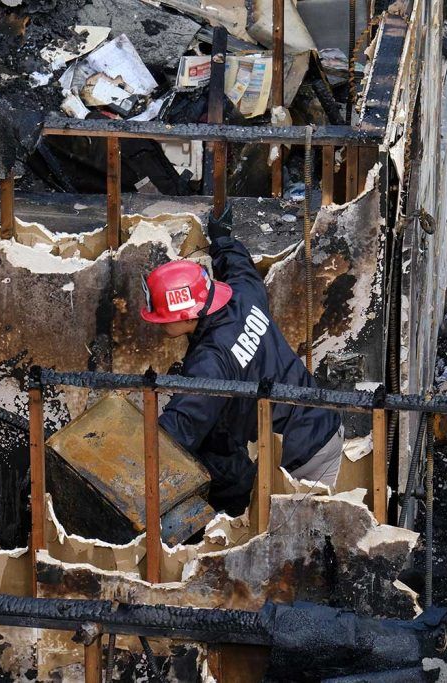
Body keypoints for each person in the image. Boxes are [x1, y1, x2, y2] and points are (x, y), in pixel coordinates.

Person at [139, 205, 343, 513]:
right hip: (318, 424)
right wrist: (223, 239)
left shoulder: (211, 360)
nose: (155, 321)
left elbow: (180, 429)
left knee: (293, 543)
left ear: (186, 315)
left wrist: (134, 458)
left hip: (304, 457)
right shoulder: (242, 295)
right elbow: (240, 267)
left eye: (160, 316)